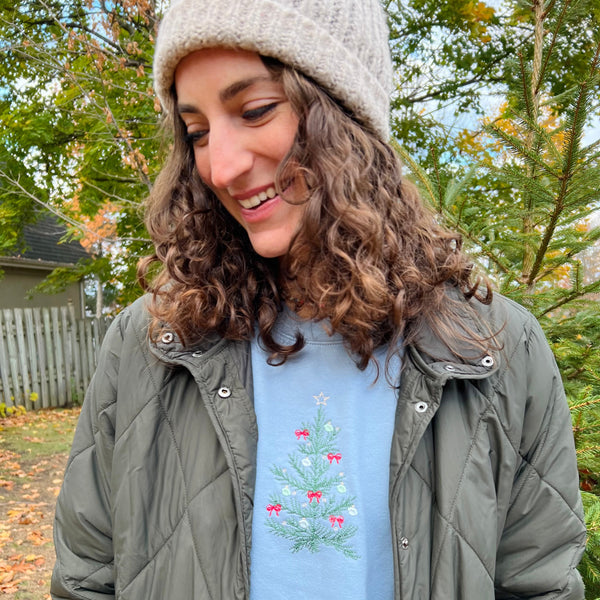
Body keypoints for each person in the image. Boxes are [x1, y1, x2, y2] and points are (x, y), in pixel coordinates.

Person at [50, 0, 587, 598]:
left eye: (255, 111)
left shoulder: (495, 349)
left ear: (346, 116)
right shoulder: (150, 344)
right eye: (197, 132)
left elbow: (539, 584)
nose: (220, 168)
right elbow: (85, 578)